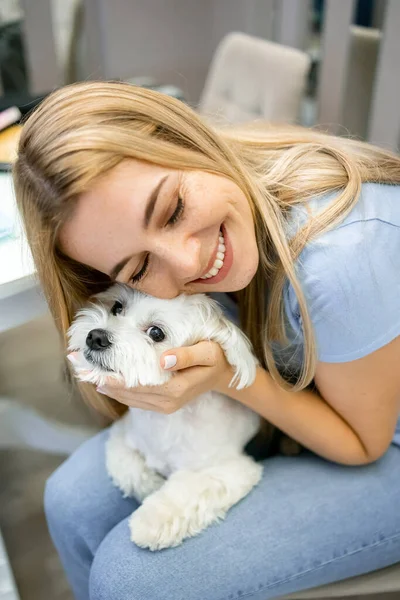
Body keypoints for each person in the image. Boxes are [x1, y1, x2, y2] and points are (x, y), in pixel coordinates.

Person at [13, 81, 400, 600]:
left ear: (183, 140)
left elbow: (363, 445)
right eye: (140, 267)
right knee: (70, 501)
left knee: (131, 580)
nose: (189, 262)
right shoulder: (226, 195)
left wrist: (230, 377)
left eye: (172, 209)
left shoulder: (340, 259)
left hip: (377, 443)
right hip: (303, 404)